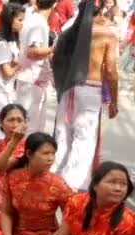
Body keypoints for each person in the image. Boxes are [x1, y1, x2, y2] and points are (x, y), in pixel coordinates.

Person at [52, 0, 119, 192]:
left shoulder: (68, 30)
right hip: (90, 88)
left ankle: (56, 177)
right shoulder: (106, 33)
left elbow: (55, 59)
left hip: (68, 87)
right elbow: (112, 71)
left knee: (63, 133)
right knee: (84, 137)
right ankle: (74, 185)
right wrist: (114, 100)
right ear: (102, 9)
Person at [1, 132, 73, 235]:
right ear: (29, 154)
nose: (50, 158)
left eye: (53, 154)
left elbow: (73, 218)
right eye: (45, 153)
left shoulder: (58, 184)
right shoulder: (13, 176)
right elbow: (6, 212)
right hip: (17, 234)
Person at [14, 0, 55, 135]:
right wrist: (53, 49)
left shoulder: (33, 20)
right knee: (30, 125)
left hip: (31, 79)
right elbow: (32, 52)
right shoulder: (38, 23)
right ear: (55, 5)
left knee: (30, 121)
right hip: (32, 80)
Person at [0, 3, 24, 139]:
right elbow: (7, 72)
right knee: (1, 131)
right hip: (0, 91)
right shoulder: (2, 43)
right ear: (10, 19)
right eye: (19, 20)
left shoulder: (11, 40)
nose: (22, 23)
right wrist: (19, 64)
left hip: (7, 89)